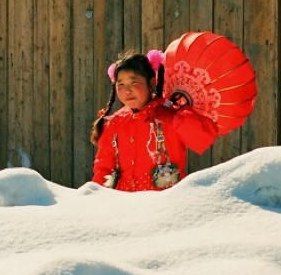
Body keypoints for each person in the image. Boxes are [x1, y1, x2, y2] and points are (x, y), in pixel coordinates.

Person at [90, 49, 218, 191]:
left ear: (151, 83)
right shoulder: (114, 123)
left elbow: (204, 137)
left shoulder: (170, 111)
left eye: (134, 83)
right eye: (121, 85)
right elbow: (103, 169)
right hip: (124, 204)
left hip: (166, 202)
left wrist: (173, 118)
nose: (127, 90)